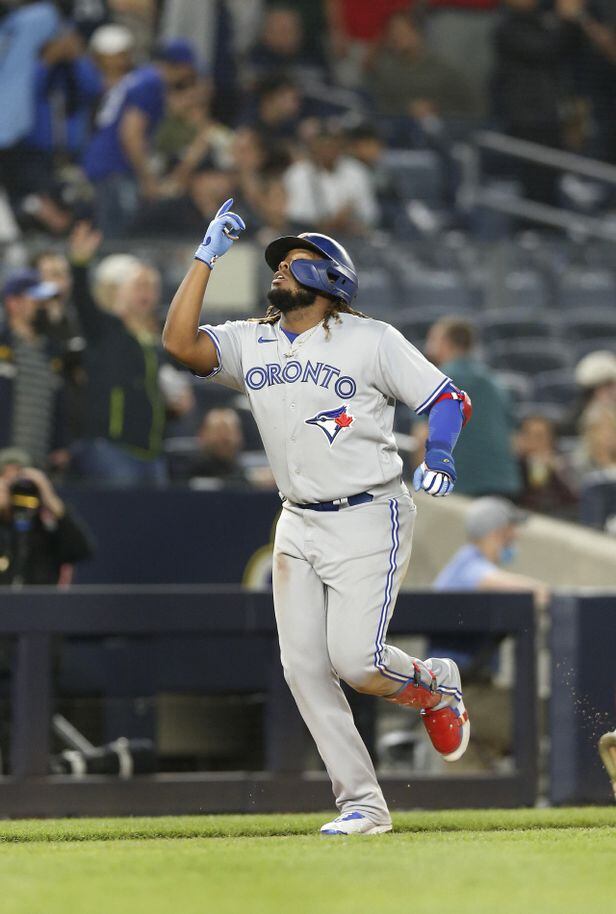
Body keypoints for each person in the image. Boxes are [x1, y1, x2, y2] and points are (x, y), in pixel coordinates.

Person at [163, 198, 474, 836]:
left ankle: (435, 684)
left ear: (332, 281)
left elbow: (447, 399)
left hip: (369, 512)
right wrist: (204, 259)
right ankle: (362, 803)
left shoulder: (371, 338)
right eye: (279, 263)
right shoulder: (253, 340)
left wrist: (439, 452)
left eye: (296, 263)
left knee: (356, 663)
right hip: (298, 520)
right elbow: (178, 344)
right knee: (303, 667)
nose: (279, 270)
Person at [67, 223, 181, 484]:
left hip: (153, 451)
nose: (147, 292)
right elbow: (82, 300)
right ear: (119, 291)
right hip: (112, 448)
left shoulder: (158, 341)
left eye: (152, 286)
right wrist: (79, 263)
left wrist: (176, 406)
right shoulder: (104, 329)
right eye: (139, 285)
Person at [83, 38, 199, 236]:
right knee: (118, 234)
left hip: (105, 161)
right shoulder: (152, 83)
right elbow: (131, 135)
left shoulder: (141, 77)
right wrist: (148, 179)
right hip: (114, 166)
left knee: (112, 228)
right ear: (181, 66)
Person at [423, 316, 521, 498]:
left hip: (457, 487)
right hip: (502, 484)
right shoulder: (495, 382)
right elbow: (513, 437)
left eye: (433, 339)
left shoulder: (436, 381)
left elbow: (422, 435)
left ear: (445, 342)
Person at [0, 269, 67, 469]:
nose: (42, 306)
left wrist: (60, 444)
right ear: (13, 303)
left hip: (40, 459)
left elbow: (59, 401)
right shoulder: (3, 343)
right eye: (36, 300)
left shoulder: (51, 350)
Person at [434, 496, 550, 609]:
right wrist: (550, 595)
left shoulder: (469, 557)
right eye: (511, 531)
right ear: (496, 534)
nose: (517, 535)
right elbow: (528, 593)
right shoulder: (470, 563)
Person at [0, 447, 92, 585]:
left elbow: (81, 551)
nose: (15, 490)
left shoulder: (46, 524)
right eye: (8, 481)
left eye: (20, 483)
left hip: (42, 603)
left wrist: (50, 498)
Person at [283, 123, 379, 234]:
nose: (327, 150)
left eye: (332, 145)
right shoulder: (298, 173)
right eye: (322, 145)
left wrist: (350, 217)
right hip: (310, 236)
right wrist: (332, 222)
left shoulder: (356, 171)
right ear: (312, 147)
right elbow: (295, 216)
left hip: (352, 234)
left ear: (340, 147)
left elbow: (370, 213)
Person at [515, 414, 578, 517]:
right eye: (528, 435)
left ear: (551, 439)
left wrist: (554, 472)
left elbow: (573, 500)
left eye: (539, 436)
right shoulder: (514, 465)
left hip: (558, 518)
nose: (534, 441)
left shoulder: (563, 464)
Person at [170, 408, 250, 487]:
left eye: (229, 431)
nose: (224, 437)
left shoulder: (247, 477)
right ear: (202, 435)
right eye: (218, 431)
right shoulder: (182, 473)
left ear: (240, 436)